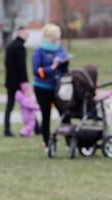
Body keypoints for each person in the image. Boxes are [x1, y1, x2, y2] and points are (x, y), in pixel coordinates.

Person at [33, 23, 69, 151]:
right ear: (49, 36)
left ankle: (70, 143)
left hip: (58, 87)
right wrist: (51, 68)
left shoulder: (59, 49)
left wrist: (64, 63)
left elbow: (65, 67)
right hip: (42, 88)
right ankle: (47, 143)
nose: (57, 37)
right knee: (46, 115)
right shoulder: (39, 51)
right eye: (55, 35)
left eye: (58, 35)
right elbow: (36, 71)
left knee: (65, 114)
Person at [4, 27, 30, 137]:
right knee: (28, 104)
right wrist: (25, 82)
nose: (27, 35)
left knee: (10, 105)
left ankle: (6, 128)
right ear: (19, 33)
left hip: (10, 81)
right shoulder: (20, 47)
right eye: (25, 33)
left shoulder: (10, 46)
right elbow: (22, 67)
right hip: (19, 82)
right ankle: (35, 127)